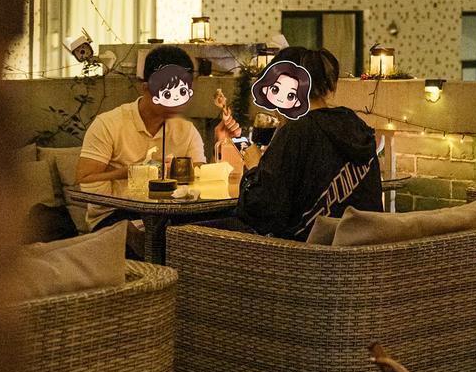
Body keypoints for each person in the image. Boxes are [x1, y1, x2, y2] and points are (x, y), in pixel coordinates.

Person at [237, 46, 383, 241]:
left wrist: (254, 169)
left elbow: (263, 212)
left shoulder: (297, 132)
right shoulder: (355, 125)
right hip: (366, 251)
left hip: (308, 256)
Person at [75, 46, 205, 237]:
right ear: (145, 88)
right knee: (162, 237)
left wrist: (223, 143)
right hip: (114, 215)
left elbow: (201, 179)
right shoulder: (109, 124)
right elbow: (85, 180)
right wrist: (133, 172)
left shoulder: (186, 130)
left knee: (208, 230)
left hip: (170, 214)